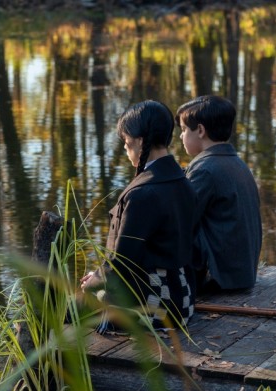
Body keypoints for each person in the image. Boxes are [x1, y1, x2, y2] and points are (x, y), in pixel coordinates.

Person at [80, 100, 197, 334]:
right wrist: (100, 276)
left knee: (62, 309)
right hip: (182, 298)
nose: (125, 149)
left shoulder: (143, 194)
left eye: (126, 142)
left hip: (154, 306)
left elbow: (122, 261)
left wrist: (94, 282)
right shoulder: (182, 181)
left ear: (140, 141)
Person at [175, 95, 262, 294]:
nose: (181, 137)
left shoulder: (204, 170)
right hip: (241, 273)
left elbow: (181, 220)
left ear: (200, 130)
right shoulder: (236, 163)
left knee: (170, 223)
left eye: (184, 130)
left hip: (220, 278)